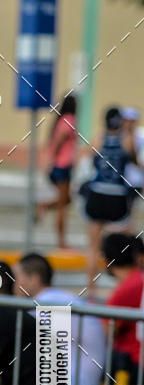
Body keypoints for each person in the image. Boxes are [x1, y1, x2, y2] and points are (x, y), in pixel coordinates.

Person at [13, 252, 106, 385]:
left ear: (33, 278)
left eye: (16, 278)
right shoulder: (59, 298)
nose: (13, 284)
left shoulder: (49, 303)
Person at [83, 107, 136, 292]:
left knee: (93, 247)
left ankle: (91, 290)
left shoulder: (98, 138)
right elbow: (133, 159)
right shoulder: (127, 139)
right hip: (117, 196)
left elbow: (91, 161)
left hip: (97, 194)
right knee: (127, 246)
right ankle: (127, 289)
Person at [101, 233, 144, 385]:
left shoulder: (125, 290)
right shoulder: (139, 279)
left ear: (107, 261)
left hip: (132, 362)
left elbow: (108, 333)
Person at [37, 94, 78, 248]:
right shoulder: (69, 120)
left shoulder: (61, 120)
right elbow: (59, 142)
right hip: (62, 166)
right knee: (63, 206)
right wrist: (51, 160)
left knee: (67, 200)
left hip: (60, 166)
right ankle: (61, 242)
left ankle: (43, 206)